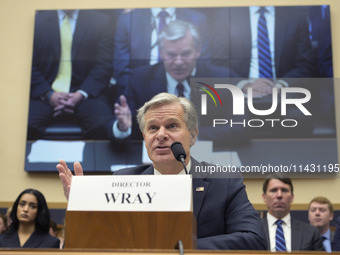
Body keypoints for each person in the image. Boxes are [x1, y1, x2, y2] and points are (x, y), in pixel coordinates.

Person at [57, 92, 267, 250]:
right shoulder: (123, 180)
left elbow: (254, 240)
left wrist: (178, 249)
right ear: (144, 138)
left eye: (172, 126)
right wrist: (82, 207)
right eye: (153, 128)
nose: (161, 135)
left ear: (193, 135)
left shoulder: (224, 182)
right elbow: (91, 246)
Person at [110, 20, 249, 146]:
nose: (178, 62)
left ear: (198, 51)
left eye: (185, 54)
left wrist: (187, 137)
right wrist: (123, 128)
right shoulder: (139, 79)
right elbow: (127, 127)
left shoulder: (222, 78)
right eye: (171, 55)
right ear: (161, 53)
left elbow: (241, 128)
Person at [28, 9, 115, 140]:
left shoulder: (102, 21)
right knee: (25, 125)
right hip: (45, 91)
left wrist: (81, 94)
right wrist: (48, 94)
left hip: (87, 92)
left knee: (103, 125)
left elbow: (104, 65)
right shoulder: (36, 21)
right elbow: (28, 65)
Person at [211, 6, 316, 97]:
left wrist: (281, 84)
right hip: (241, 93)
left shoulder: (295, 16)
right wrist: (245, 85)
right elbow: (218, 64)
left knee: (299, 116)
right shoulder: (225, 16)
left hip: (283, 92)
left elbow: (306, 65)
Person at [113, 7, 210, 88]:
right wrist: (135, 92)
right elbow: (121, 66)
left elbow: (203, 63)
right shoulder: (128, 19)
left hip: (186, 86)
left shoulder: (198, 19)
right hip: (141, 88)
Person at [261, 173, 323, 251]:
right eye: (273, 190)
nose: (279, 195)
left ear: (292, 197)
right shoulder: (251, 231)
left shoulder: (311, 233)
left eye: (284, 190)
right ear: (264, 197)